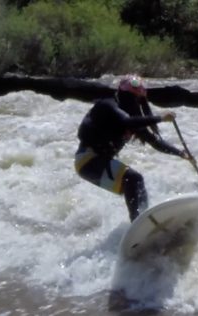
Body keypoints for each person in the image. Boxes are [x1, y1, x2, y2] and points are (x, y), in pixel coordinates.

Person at [74, 75, 189, 221]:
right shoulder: (108, 105)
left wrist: (181, 153)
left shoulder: (133, 119)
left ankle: (146, 224)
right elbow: (126, 121)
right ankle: (139, 221)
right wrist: (160, 118)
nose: (135, 103)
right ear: (123, 95)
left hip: (95, 163)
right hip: (87, 161)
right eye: (132, 98)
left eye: (138, 100)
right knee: (133, 179)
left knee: (137, 186)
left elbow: (155, 143)